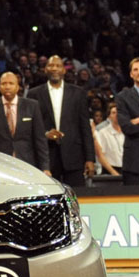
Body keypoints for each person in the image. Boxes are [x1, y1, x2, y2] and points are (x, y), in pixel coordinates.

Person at [29, 54, 95, 186]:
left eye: (58, 65)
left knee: (77, 197)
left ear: (64, 70)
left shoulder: (78, 93)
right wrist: (46, 134)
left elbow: (85, 128)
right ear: (45, 69)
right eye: (51, 65)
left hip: (74, 156)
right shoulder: (34, 94)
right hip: (47, 157)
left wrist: (90, 158)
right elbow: (31, 127)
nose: (54, 68)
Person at [0, 71, 50, 171]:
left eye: (11, 83)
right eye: (4, 83)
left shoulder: (32, 105)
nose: (7, 86)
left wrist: (45, 168)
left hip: (27, 162)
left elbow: (40, 139)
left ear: (17, 87)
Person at [115, 57, 139, 184]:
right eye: (136, 69)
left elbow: (134, 126)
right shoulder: (122, 97)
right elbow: (127, 127)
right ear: (131, 74)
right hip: (134, 162)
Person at [96, 102, 124, 174]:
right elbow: (100, 155)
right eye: (114, 113)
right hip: (109, 170)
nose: (117, 115)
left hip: (127, 169)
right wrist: (113, 172)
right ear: (109, 116)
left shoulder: (128, 132)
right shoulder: (102, 133)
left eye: (118, 112)